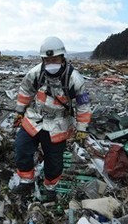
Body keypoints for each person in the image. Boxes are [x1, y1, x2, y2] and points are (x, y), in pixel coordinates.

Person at [12, 36, 92, 202]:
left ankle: (50, 188)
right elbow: (25, 91)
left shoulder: (74, 79)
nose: (51, 62)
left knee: (54, 161)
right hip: (35, 119)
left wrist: (82, 129)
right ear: (43, 59)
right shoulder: (35, 73)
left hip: (58, 125)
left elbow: (83, 105)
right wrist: (20, 111)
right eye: (47, 59)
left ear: (63, 58)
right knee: (21, 149)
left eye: (54, 58)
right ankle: (26, 181)